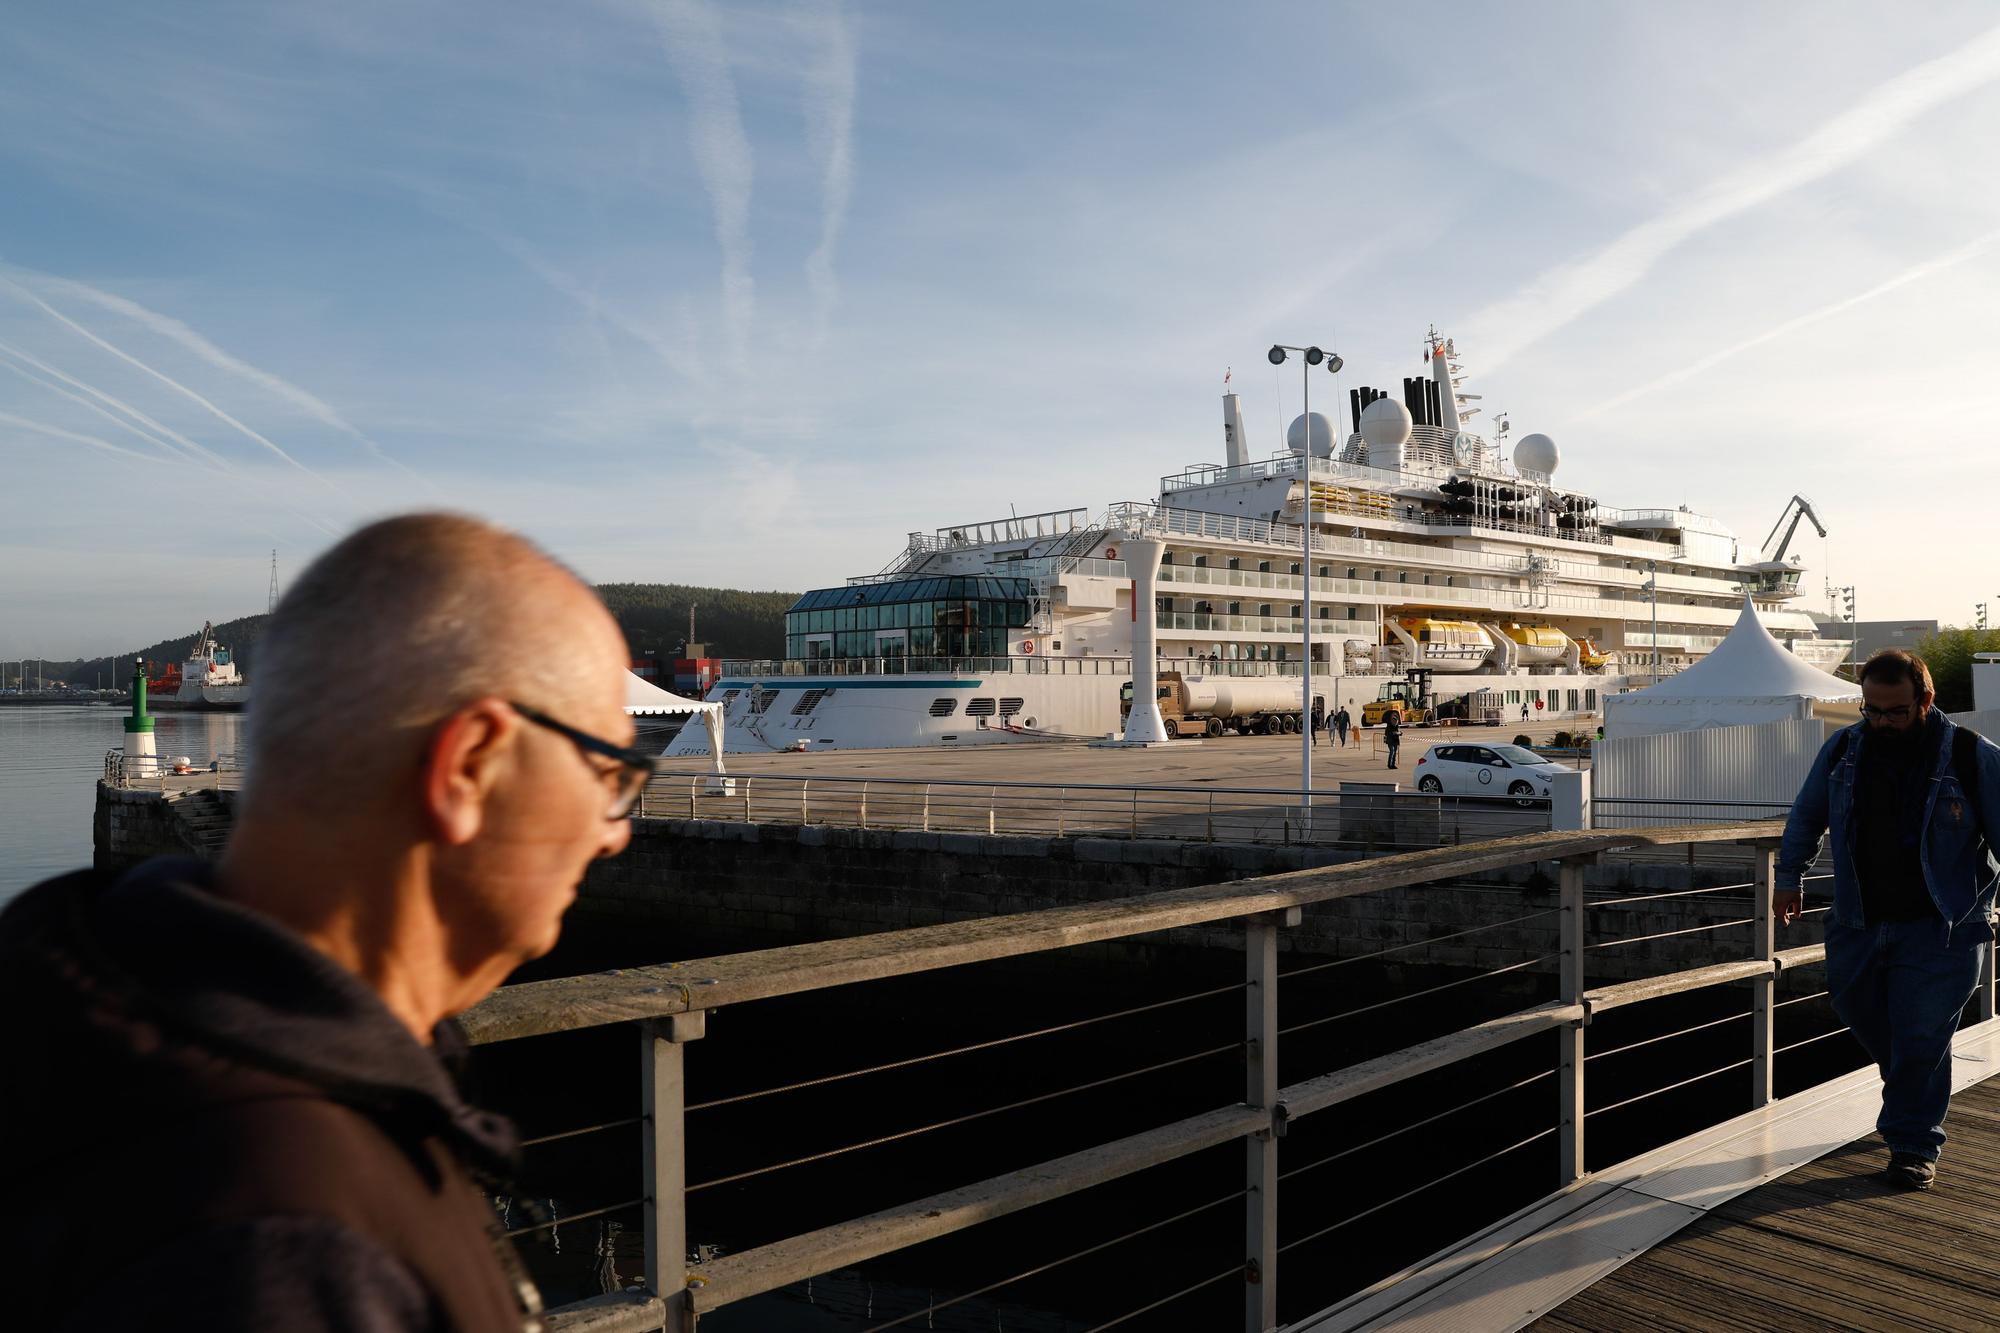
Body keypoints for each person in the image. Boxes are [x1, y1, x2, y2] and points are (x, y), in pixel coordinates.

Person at [0, 513, 647, 1329]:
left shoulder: (96, 1037)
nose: (615, 827)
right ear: (470, 768)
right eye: (609, 770)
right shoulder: (287, 1253)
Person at [1777, 649, 2000, 1192]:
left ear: (1926, 700)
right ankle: (1908, 1091)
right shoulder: (1846, 749)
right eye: (1870, 710)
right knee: (1859, 1010)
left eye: (1894, 712)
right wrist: (1790, 877)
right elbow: (1808, 814)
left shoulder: (1972, 756)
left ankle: (1913, 1145)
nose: (1880, 722)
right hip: (1858, 919)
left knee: (1922, 1035)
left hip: (1942, 927)